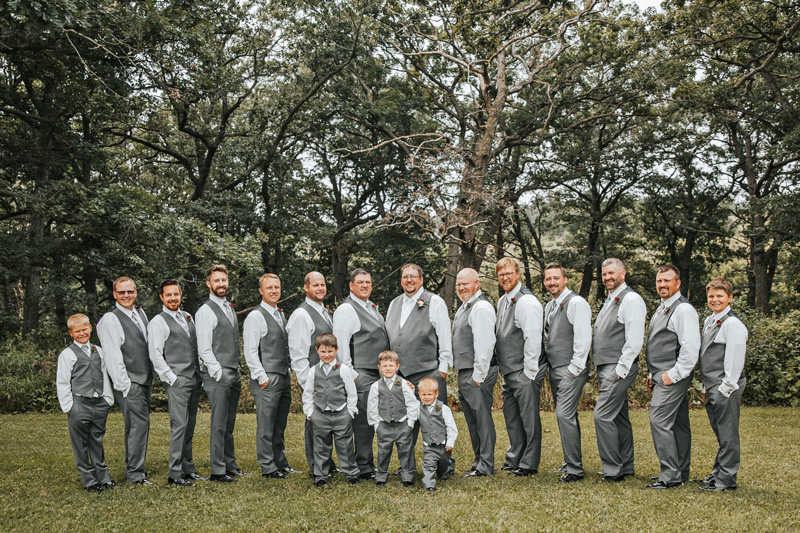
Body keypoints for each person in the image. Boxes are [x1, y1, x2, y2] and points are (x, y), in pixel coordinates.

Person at [645, 264, 700, 489]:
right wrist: (652, 372)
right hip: (661, 372)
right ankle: (680, 470)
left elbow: (690, 349)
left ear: (678, 283)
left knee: (659, 420)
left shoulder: (683, 310)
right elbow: (658, 343)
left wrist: (672, 375)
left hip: (673, 375)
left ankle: (669, 475)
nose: (662, 284)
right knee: (678, 423)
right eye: (659, 281)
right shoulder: (663, 307)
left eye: (667, 280)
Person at [332, 268, 390, 480]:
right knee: (363, 422)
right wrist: (352, 376)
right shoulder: (346, 310)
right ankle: (362, 466)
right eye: (360, 282)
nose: (365, 285)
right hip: (360, 372)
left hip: (376, 373)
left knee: (372, 418)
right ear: (351, 285)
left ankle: (367, 462)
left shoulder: (370, 307)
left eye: (368, 282)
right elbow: (342, 346)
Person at [592, 259, 646, 482]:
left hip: (618, 367)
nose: (607, 278)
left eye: (612, 273)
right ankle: (626, 465)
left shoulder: (630, 299)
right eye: (604, 274)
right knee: (619, 417)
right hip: (608, 366)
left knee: (601, 416)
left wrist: (620, 370)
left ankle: (613, 470)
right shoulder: (612, 298)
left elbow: (634, 340)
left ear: (623, 274)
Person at [147, 279, 205, 486]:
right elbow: (155, 354)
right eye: (168, 295)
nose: (173, 298)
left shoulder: (187, 317)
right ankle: (175, 473)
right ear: (162, 297)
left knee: (189, 425)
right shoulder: (158, 322)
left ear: (181, 295)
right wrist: (172, 378)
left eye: (176, 294)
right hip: (177, 380)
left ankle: (188, 468)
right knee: (179, 426)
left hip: (194, 378)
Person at [97, 276, 153, 485]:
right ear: (114, 294)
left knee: (136, 425)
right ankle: (135, 474)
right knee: (139, 424)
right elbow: (112, 356)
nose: (126, 296)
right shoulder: (110, 319)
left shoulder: (140, 313)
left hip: (143, 379)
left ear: (135, 292)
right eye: (122, 292)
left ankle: (136, 468)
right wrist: (124, 386)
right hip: (129, 382)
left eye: (130, 291)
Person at [195, 264, 248, 482]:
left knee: (229, 423)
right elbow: (204, 348)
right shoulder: (205, 311)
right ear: (208, 284)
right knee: (218, 424)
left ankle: (230, 464)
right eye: (216, 281)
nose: (221, 284)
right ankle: (218, 470)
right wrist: (217, 373)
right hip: (218, 374)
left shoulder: (228, 307)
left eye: (223, 280)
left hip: (232, 371)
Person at [494, 257, 545, 477]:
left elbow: (532, 338)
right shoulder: (504, 300)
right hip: (509, 370)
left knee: (529, 419)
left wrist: (529, 372)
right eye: (501, 274)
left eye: (509, 273)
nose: (505, 277)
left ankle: (529, 464)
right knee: (512, 416)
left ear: (518, 274)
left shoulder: (527, 302)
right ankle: (514, 458)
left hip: (524, 371)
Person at [696, 278, 747, 492]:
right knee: (720, 433)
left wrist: (725, 389)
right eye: (711, 296)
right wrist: (706, 388)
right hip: (713, 385)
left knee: (728, 434)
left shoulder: (732, 324)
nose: (715, 300)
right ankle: (718, 473)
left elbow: (734, 361)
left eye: (719, 296)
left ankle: (726, 480)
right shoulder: (711, 320)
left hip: (726, 386)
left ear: (730, 298)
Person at [542, 264, 592, 482]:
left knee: (564, 414)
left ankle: (575, 470)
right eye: (548, 279)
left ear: (565, 279)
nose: (552, 282)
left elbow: (583, 337)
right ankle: (570, 461)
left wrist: (575, 368)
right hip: (556, 367)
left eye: (556, 278)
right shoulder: (550, 306)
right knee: (567, 416)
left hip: (571, 368)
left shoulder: (577, 303)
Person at [243, 273, 294, 479]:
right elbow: (250, 351)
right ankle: (267, 465)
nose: (274, 291)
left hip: (283, 375)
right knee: (266, 424)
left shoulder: (279, 314)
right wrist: (262, 378)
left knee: (279, 423)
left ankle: (280, 461)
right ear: (261, 291)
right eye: (269, 287)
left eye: (277, 287)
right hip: (267, 378)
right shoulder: (256, 316)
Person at [56, 314, 115, 492]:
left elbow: (105, 374)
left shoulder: (98, 350)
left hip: (99, 402)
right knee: (81, 443)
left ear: (90, 328)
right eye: (77, 331)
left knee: (96, 439)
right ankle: (89, 480)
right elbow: (63, 382)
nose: (82, 333)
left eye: (84, 329)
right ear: (71, 334)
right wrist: (69, 406)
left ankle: (103, 476)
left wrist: (107, 398)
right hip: (79, 403)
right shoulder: (67, 354)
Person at [286, 271, 334, 477]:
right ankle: (316, 466)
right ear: (306, 288)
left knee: (327, 421)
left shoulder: (324, 312)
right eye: (316, 285)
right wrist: (307, 383)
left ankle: (327, 463)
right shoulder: (302, 314)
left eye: (322, 284)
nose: (320, 288)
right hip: (313, 379)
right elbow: (298, 354)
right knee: (314, 422)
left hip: (328, 378)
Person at [452, 267, 498, 477]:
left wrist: (478, 376)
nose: (461, 287)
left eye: (466, 283)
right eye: (459, 284)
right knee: (473, 420)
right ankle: (479, 460)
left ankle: (486, 465)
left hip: (477, 372)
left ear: (476, 284)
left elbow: (485, 344)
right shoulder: (465, 307)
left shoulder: (480, 308)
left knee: (482, 420)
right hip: (466, 371)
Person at [301, 333, 361, 487]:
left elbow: (351, 392)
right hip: (320, 414)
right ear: (317, 351)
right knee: (320, 446)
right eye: (323, 351)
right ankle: (321, 474)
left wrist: (350, 411)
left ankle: (351, 473)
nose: (326, 355)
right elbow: (308, 393)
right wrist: (310, 412)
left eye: (330, 351)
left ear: (336, 350)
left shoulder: (343, 369)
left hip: (341, 413)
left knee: (345, 444)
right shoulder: (313, 371)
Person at [367, 350, 420, 487]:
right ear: (379, 367)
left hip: (402, 423)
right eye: (385, 366)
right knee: (383, 451)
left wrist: (410, 423)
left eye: (391, 365)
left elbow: (412, 403)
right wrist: (376, 425)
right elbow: (372, 406)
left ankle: (408, 475)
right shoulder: (375, 386)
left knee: (406, 450)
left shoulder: (403, 384)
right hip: (384, 424)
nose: (388, 369)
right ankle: (381, 475)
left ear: (397, 366)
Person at [417, 378, 457, 492]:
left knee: (443, 464)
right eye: (423, 394)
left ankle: (447, 468)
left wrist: (450, 442)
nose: (426, 397)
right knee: (429, 465)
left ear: (436, 394)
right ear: (419, 394)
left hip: (443, 445)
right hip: (429, 445)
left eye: (430, 394)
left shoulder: (444, 409)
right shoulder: (418, 408)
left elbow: (451, 427)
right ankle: (429, 484)